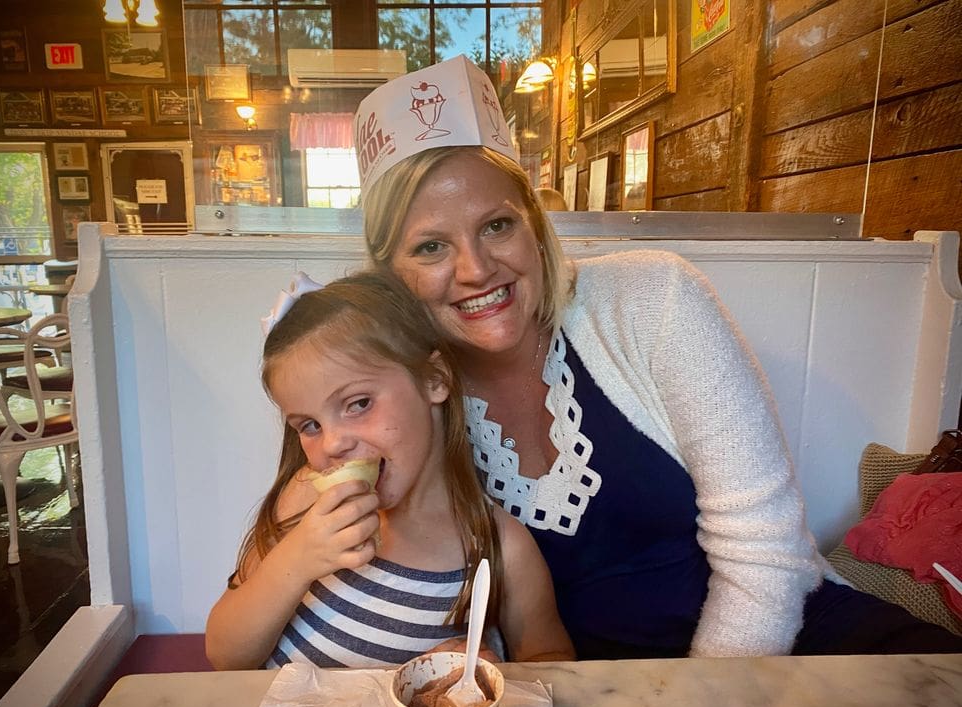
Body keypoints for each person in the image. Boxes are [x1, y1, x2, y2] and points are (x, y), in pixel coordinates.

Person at [351, 55, 962, 659]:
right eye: (431, 246)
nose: (477, 269)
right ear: (389, 273)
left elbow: (767, 550)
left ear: (536, 225)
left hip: (787, 644)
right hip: (596, 698)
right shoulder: (395, 396)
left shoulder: (655, 298)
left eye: (497, 226)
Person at [205, 270, 574, 670]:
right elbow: (226, 657)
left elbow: (550, 660)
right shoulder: (304, 499)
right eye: (309, 425)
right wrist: (298, 559)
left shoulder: (498, 547)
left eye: (358, 403)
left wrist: (487, 670)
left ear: (434, 380)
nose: (332, 444)